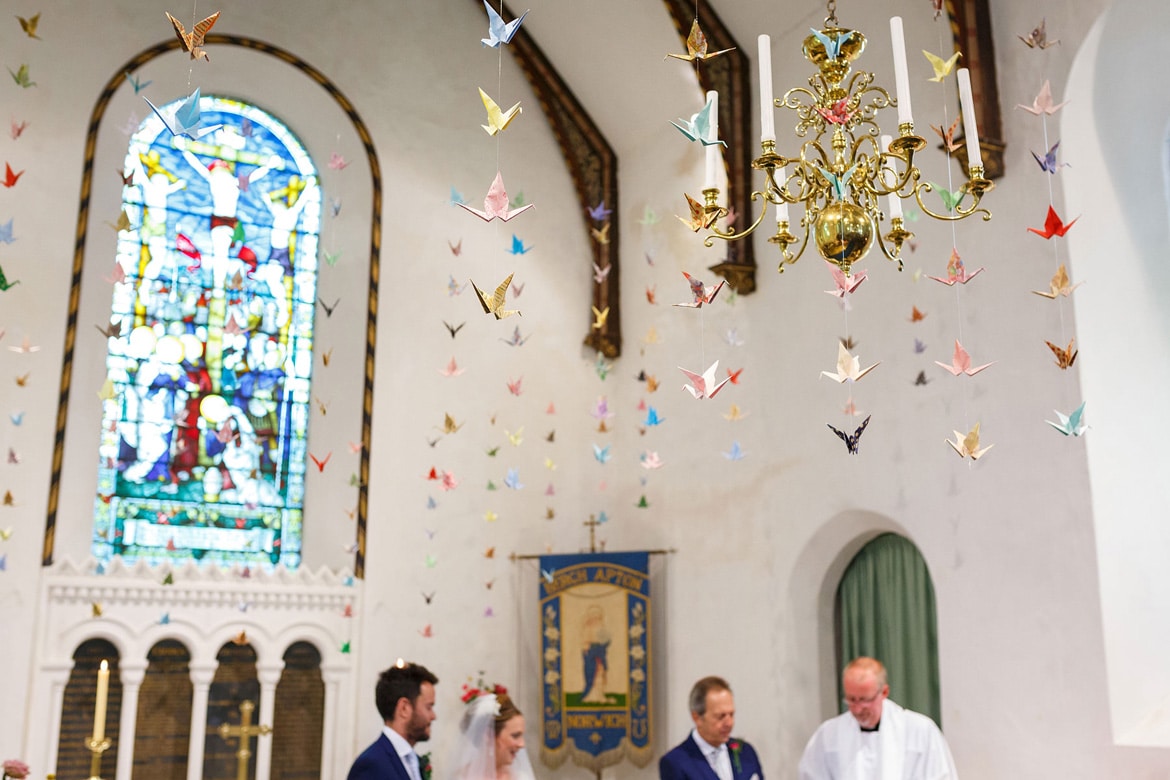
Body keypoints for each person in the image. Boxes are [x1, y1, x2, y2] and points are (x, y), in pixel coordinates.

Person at [798, 657, 958, 780]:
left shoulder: (920, 731)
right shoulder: (828, 734)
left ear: (884, 692)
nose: (858, 708)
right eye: (851, 699)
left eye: (865, 700)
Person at [660, 676, 764, 780]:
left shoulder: (746, 752)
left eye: (731, 714)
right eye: (720, 716)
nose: (729, 723)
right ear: (697, 718)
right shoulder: (676, 762)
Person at [348, 661, 439, 780]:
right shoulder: (371, 765)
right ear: (404, 708)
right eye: (429, 707)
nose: (433, 716)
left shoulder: (413, 761)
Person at [447, 685, 535, 780]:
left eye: (522, 735)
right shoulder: (462, 777)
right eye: (515, 736)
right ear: (488, 735)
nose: (522, 744)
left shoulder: (521, 777)